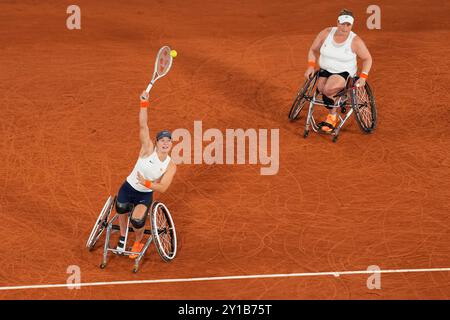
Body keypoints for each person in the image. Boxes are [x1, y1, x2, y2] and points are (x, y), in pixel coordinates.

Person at [114, 91, 177, 259]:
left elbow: (162, 188)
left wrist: (146, 183)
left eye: (168, 140)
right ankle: (122, 236)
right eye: (162, 140)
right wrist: (144, 104)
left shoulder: (170, 165)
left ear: (171, 144)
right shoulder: (147, 149)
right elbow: (143, 126)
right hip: (128, 187)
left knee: (137, 221)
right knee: (120, 207)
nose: (165, 142)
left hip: (144, 194)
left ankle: (138, 241)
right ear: (156, 143)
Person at [304, 9, 373, 132]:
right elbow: (313, 50)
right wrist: (310, 66)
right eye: (342, 24)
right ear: (337, 22)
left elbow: (367, 58)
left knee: (328, 90)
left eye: (348, 25)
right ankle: (341, 96)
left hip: (344, 72)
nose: (345, 28)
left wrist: (363, 77)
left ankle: (333, 117)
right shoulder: (325, 33)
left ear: (352, 25)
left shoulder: (355, 41)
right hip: (325, 69)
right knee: (320, 89)